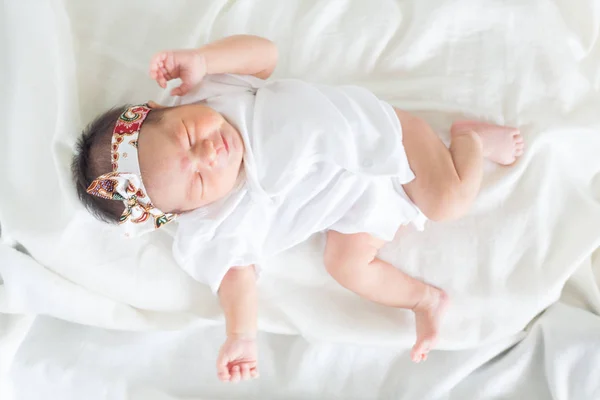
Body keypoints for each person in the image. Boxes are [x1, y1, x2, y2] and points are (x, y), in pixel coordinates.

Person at [72, 34, 524, 383]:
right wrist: (240, 335)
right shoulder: (211, 230)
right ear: (181, 213)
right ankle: (424, 300)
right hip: (357, 209)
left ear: (164, 109)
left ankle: (469, 140)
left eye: (190, 136)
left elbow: (265, 55)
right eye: (197, 180)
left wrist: (205, 59)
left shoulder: (213, 94)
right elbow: (237, 281)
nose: (210, 154)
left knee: (449, 201)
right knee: (346, 266)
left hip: (384, 135)